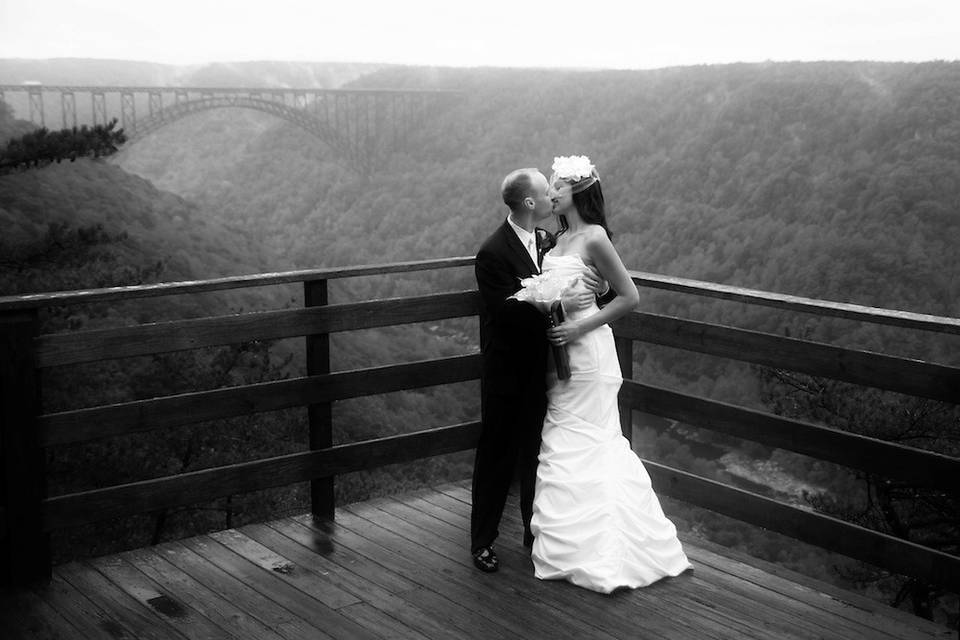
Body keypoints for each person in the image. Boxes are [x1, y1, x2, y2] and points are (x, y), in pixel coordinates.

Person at [530, 155, 692, 593]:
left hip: (589, 354)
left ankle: (611, 550)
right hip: (560, 354)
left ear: (577, 191)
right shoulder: (559, 240)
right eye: (548, 186)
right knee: (563, 439)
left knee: (593, 441)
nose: (550, 193)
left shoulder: (596, 237)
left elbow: (629, 297)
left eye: (556, 186)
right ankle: (576, 548)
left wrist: (579, 325)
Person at [471, 167, 605, 573]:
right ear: (530, 203)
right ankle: (482, 542)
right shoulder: (492, 253)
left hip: (545, 370)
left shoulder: (551, 241)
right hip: (508, 371)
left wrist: (593, 290)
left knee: (537, 454)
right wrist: (547, 309)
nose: (552, 197)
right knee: (497, 455)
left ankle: (537, 535)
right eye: (546, 193)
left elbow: (595, 285)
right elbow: (504, 312)